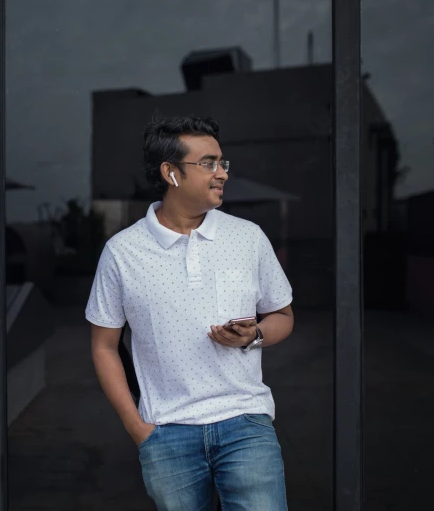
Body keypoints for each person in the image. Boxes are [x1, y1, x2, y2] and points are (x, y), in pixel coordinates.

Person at [86, 115, 294, 510]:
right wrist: (139, 429)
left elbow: (283, 316)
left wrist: (255, 334)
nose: (222, 174)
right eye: (209, 163)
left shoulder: (247, 236)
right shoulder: (122, 252)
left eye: (222, 162)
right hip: (167, 432)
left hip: (245, 422)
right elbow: (103, 347)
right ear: (171, 173)